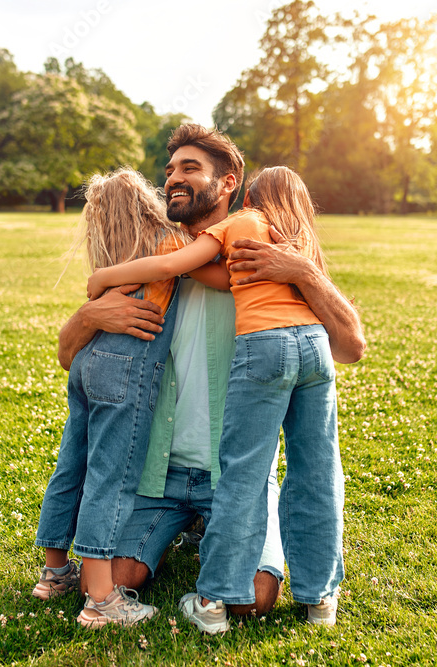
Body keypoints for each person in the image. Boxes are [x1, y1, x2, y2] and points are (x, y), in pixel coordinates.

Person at [44, 124, 365, 621]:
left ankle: (210, 536)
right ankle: (185, 529)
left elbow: (350, 346)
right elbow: (70, 357)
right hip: (159, 475)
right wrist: (89, 316)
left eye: (190, 168)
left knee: (252, 599)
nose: (173, 178)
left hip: (233, 474)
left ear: (228, 182)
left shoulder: (264, 256)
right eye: (169, 169)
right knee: (108, 579)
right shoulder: (150, 260)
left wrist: (304, 272)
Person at [32, 168, 229, 628]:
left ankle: (54, 572)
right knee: (111, 478)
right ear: (146, 203)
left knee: (71, 465)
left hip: (88, 362)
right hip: (126, 369)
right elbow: (216, 278)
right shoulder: (170, 243)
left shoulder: (111, 256)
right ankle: (102, 601)